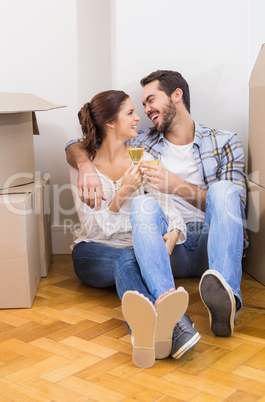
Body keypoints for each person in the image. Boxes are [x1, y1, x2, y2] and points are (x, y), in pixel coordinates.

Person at [66, 70, 247, 340]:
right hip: (165, 248)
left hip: (212, 243)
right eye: (136, 109)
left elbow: (235, 207)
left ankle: (224, 297)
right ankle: (167, 307)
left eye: (151, 100)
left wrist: (175, 187)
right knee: (142, 208)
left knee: (224, 189)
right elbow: (82, 142)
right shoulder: (141, 144)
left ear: (177, 95)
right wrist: (83, 164)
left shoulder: (224, 141)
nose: (145, 112)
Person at [69, 89, 191, 368]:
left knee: (131, 257)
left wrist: (171, 233)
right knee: (125, 258)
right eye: (130, 113)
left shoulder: (142, 157)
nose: (138, 118)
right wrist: (123, 193)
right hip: (91, 252)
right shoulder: (83, 167)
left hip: (136, 251)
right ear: (110, 123)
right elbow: (93, 229)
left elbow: (168, 210)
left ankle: (144, 336)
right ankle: (176, 327)